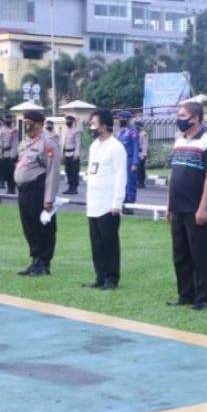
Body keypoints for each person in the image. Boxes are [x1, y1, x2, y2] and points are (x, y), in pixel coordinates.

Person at [165, 101, 207, 311]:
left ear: (195, 118)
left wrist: (203, 207)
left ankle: (202, 297)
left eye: (183, 115)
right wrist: (169, 205)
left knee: (201, 254)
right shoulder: (179, 142)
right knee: (180, 253)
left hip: (197, 208)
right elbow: (174, 175)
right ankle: (185, 294)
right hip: (178, 206)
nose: (179, 119)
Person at [83, 109, 128, 290]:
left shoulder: (116, 147)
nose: (91, 127)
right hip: (94, 201)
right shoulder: (95, 146)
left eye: (94, 123)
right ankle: (100, 276)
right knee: (96, 242)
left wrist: (117, 202)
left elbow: (120, 176)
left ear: (103, 125)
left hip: (108, 204)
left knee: (109, 243)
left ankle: (111, 278)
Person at [14, 110, 60, 276]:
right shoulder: (25, 143)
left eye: (30, 122)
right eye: (25, 122)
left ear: (40, 124)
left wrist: (49, 199)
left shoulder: (48, 143)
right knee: (29, 227)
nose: (26, 125)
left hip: (38, 190)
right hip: (24, 190)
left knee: (43, 228)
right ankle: (35, 260)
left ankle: (44, 263)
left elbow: (53, 172)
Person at [117, 111, 140, 203]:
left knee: (131, 181)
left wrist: (135, 162)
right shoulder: (120, 131)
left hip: (129, 159)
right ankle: (124, 199)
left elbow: (135, 147)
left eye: (122, 118)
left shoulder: (133, 131)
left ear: (128, 119)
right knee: (122, 181)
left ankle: (130, 201)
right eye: (119, 118)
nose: (120, 120)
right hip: (121, 159)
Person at [61, 115, 82, 195]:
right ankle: (69, 187)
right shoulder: (65, 131)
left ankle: (74, 188)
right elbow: (63, 144)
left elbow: (78, 143)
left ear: (72, 122)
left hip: (73, 154)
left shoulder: (76, 131)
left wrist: (77, 154)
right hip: (67, 153)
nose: (67, 122)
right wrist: (62, 154)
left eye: (69, 121)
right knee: (68, 171)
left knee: (74, 172)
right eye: (66, 121)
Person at [0, 118, 19, 194]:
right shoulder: (3, 130)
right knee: (6, 173)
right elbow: (1, 142)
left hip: (11, 153)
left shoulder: (14, 130)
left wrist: (13, 155)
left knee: (12, 172)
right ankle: (9, 187)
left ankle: (12, 188)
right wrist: (1, 153)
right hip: (5, 154)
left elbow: (14, 143)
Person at [136, 118, 149, 188]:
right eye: (137, 125)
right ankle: (138, 181)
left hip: (141, 153)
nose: (138, 126)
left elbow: (145, 145)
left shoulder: (144, 134)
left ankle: (141, 183)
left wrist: (144, 154)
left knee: (141, 169)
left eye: (139, 125)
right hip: (136, 153)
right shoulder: (136, 133)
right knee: (137, 169)